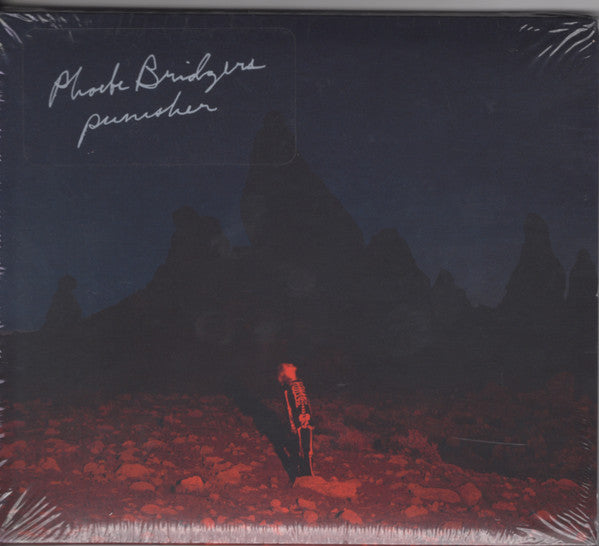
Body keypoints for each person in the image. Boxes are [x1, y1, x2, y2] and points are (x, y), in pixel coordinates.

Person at [277, 363, 314, 477]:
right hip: (298, 422)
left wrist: (311, 416)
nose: (291, 365)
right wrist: (292, 424)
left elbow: (307, 401)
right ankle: (303, 473)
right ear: (285, 373)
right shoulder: (287, 388)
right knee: (301, 447)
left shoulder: (300, 383)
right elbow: (288, 407)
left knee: (308, 446)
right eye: (288, 365)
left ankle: (307, 472)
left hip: (307, 419)